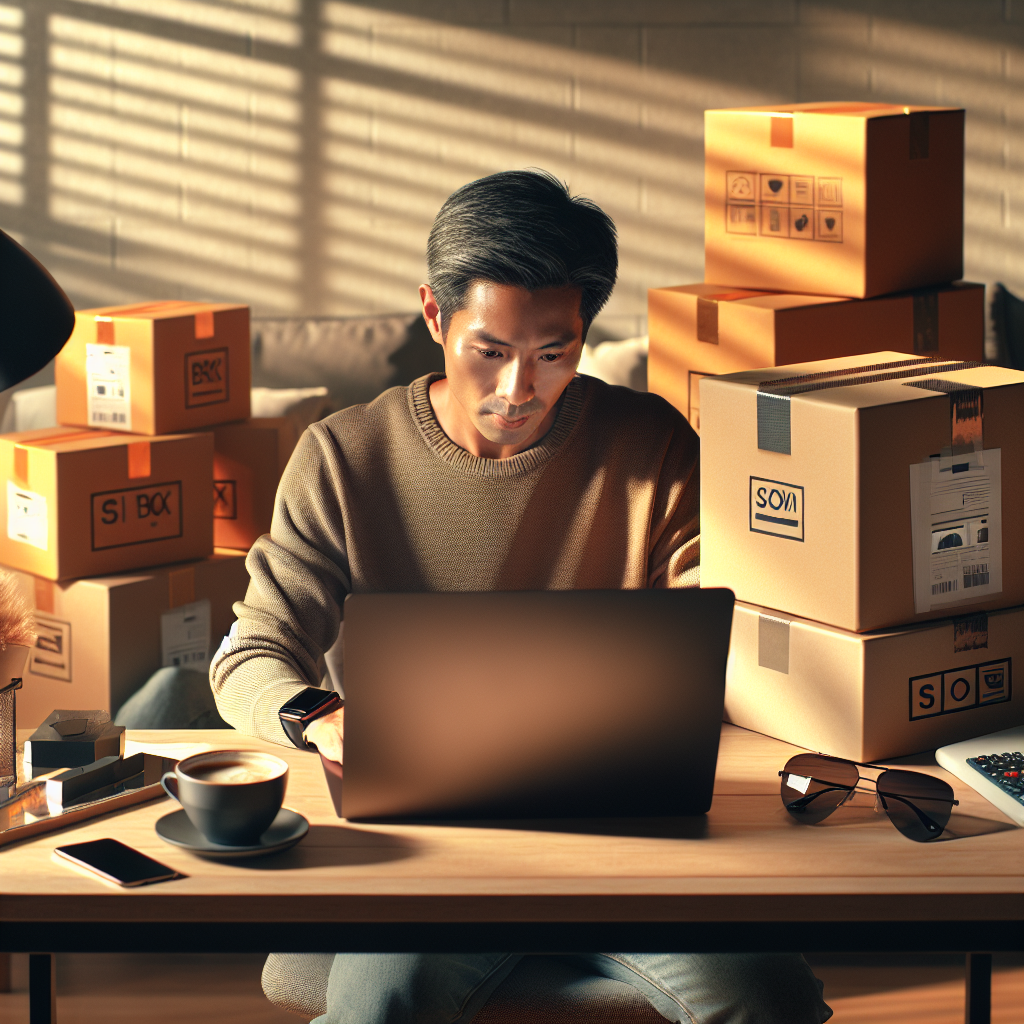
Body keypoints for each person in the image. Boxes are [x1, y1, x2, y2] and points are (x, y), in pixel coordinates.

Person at [210, 169, 832, 1024]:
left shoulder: (650, 444)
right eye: (490, 351)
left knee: (770, 997)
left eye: (554, 353)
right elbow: (249, 656)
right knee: (381, 1000)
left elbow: (717, 635)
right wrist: (320, 715)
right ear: (435, 316)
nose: (519, 390)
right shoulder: (342, 457)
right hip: (432, 851)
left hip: (630, 840)